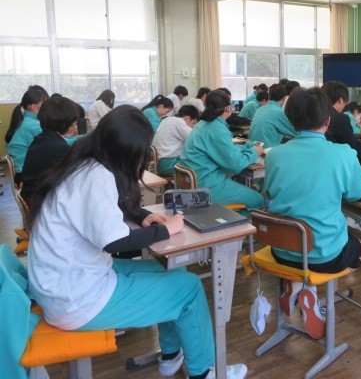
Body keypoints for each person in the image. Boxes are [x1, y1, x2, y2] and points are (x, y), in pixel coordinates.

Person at [25, 105, 247, 379]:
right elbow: (115, 241)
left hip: (64, 281)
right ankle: (205, 372)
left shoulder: (84, 163)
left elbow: (110, 208)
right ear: (126, 152)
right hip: (76, 299)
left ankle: (170, 355)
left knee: (171, 269)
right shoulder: (97, 176)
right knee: (189, 289)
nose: (146, 161)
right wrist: (165, 229)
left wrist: (142, 216)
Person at [265, 87, 361, 339]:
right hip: (324, 254)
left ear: (290, 119)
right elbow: (357, 193)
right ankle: (310, 286)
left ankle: (300, 285)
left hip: (281, 250)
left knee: (306, 250)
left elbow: (268, 192)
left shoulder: (275, 155)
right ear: (328, 120)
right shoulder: (343, 154)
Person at [180, 90, 264, 209]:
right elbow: (235, 165)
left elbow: (222, 149)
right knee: (257, 199)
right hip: (208, 187)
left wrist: (247, 146)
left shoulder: (202, 124)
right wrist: (255, 152)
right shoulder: (217, 129)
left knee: (240, 186)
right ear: (228, 108)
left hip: (195, 182)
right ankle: (236, 220)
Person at [21, 96, 79, 205]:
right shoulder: (59, 148)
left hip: (33, 196)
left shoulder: (41, 139)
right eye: (75, 121)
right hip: (42, 203)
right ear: (70, 123)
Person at [5, 87, 47, 186]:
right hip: (25, 174)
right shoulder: (33, 125)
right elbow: (53, 143)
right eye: (45, 105)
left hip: (21, 172)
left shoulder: (25, 120)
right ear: (35, 107)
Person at [321, 81, 361, 157]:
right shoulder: (341, 118)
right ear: (341, 100)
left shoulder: (314, 115)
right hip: (335, 158)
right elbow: (353, 147)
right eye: (345, 103)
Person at [152, 105, 200, 176]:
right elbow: (195, 140)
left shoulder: (167, 120)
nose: (192, 126)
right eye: (193, 123)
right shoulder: (179, 122)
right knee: (200, 162)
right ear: (187, 118)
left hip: (157, 163)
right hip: (167, 165)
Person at [248, 84, 297, 148]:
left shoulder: (260, 109)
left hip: (252, 147)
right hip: (265, 150)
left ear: (269, 96)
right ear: (284, 98)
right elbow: (295, 132)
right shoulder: (279, 112)